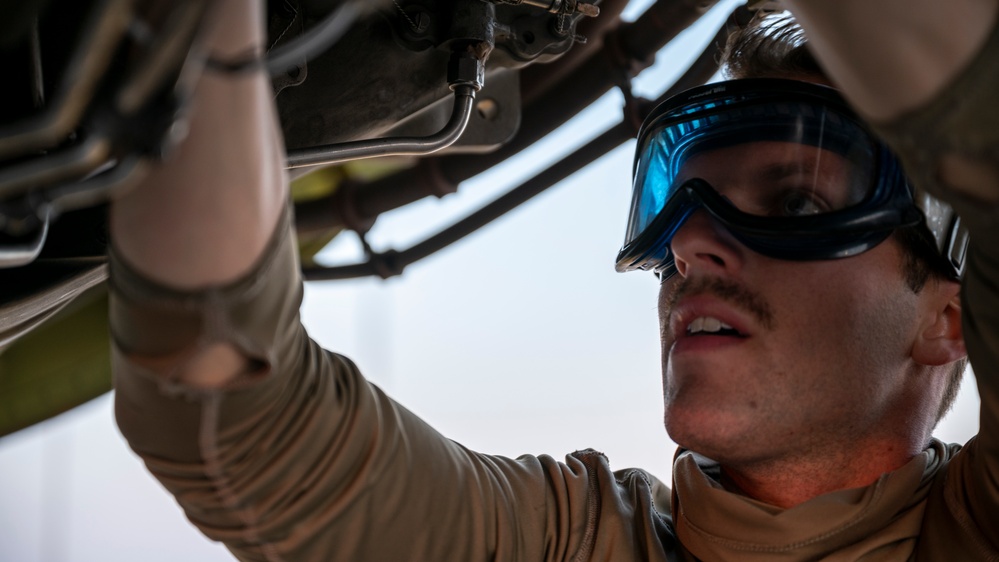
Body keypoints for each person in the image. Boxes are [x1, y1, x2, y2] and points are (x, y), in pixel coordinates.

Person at [110, 0, 999, 559]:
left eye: (797, 205)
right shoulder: (574, 542)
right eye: (685, 203)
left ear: (946, 320)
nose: (690, 246)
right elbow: (236, 418)